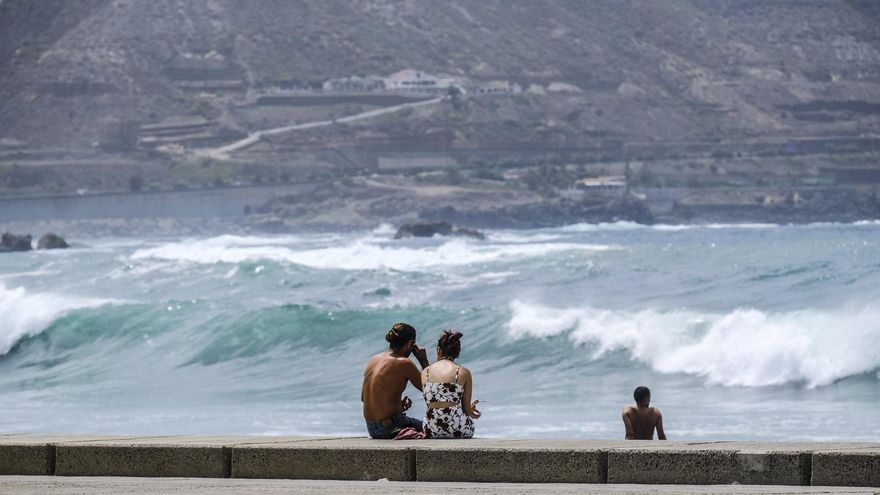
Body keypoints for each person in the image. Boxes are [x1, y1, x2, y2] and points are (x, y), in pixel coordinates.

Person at [362, 322, 430, 439]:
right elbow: (431, 391)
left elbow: (364, 398)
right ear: (410, 344)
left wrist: (396, 407)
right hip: (390, 428)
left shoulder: (373, 359)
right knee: (432, 430)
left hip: (372, 429)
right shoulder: (404, 362)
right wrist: (423, 361)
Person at [421, 330, 481, 439]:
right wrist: (471, 409)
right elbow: (466, 410)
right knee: (469, 422)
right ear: (457, 353)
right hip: (458, 430)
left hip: (430, 430)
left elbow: (436, 402)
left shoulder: (425, 372)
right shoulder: (463, 372)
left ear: (438, 350)